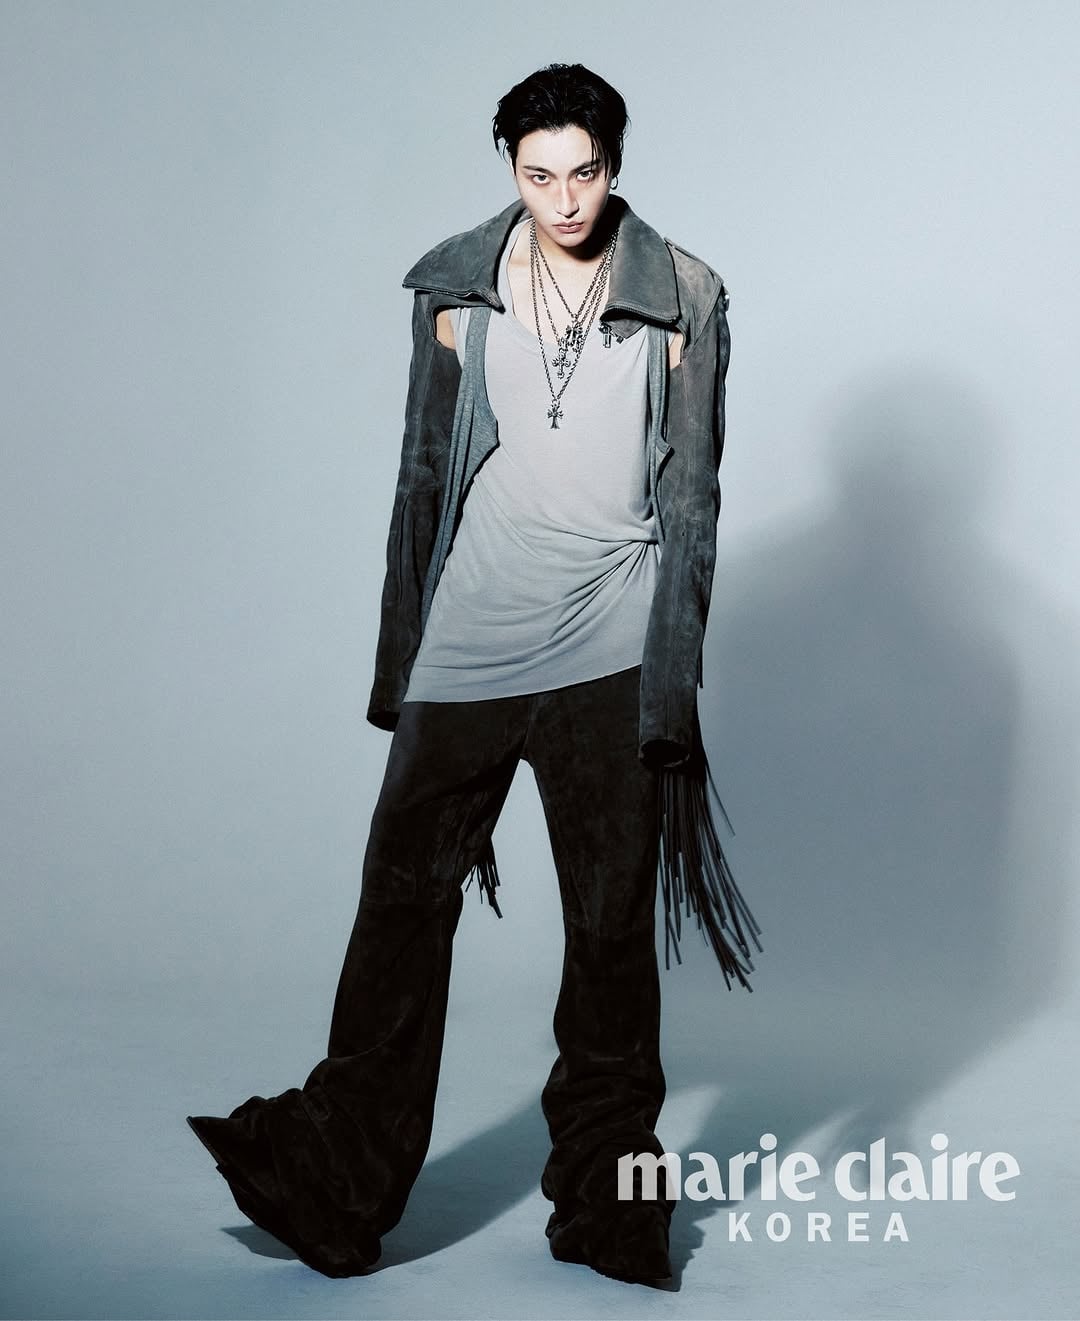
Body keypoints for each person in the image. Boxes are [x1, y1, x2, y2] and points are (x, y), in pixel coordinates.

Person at [187, 61, 762, 1286]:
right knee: (401, 904)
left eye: (585, 172)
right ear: (510, 166)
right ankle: (339, 1180)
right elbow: (420, 478)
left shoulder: (686, 296)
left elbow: (694, 504)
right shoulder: (455, 285)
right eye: (539, 174)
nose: (565, 199)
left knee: (608, 931)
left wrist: (671, 683)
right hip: (474, 637)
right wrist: (401, 656)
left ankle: (609, 1201)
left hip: (609, 643)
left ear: (616, 164)